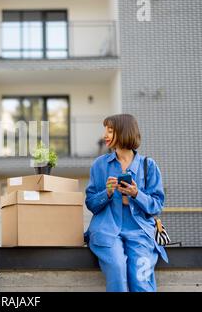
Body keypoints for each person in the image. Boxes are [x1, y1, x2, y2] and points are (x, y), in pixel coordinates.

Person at [85, 114, 168, 292]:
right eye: (105, 131)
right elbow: (91, 203)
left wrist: (136, 193)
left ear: (124, 132)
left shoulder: (149, 165)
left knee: (141, 280)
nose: (105, 135)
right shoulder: (99, 165)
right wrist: (106, 193)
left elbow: (157, 205)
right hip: (107, 230)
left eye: (110, 131)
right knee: (117, 269)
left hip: (139, 231)